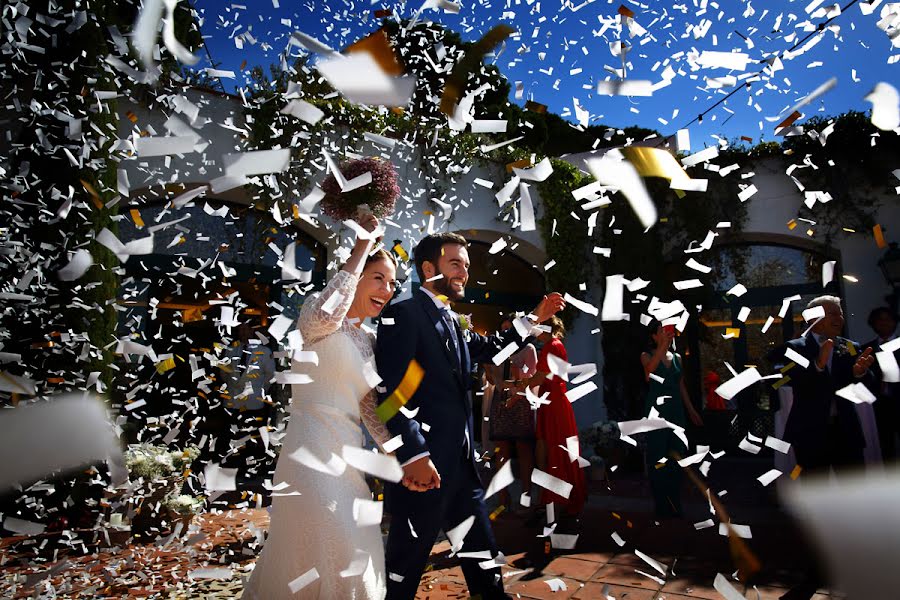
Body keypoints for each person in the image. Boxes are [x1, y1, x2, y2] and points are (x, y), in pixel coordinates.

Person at [374, 232, 565, 600]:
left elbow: (493, 351)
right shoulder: (403, 312)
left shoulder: (451, 318)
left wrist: (535, 318)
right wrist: (414, 455)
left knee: (482, 555)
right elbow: (390, 397)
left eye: (466, 264)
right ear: (428, 269)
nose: (464, 271)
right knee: (404, 567)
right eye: (456, 263)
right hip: (425, 470)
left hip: (461, 466)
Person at [244, 214, 396, 600]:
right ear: (358, 276)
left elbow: (371, 411)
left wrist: (402, 457)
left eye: (392, 283)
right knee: (329, 543)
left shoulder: (371, 343)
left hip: (349, 460)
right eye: (378, 277)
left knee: (357, 547)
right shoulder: (318, 318)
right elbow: (331, 310)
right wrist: (362, 243)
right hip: (309, 454)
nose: (387, 288)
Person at [779, 296, 875, 476]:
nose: (839, 318)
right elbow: (787, 379)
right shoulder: (794, 348)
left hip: (846, 431)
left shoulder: (850, 347)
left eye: (840, 313)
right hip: (810, 433)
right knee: (815, 492)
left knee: (853, 492)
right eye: (832, 313)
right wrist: (817, 365)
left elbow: (869, 385)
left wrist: (860, 373)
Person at [516, 316, 587, 522]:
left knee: (555, 451)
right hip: (554, 403)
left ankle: (556, 504)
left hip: (554, 405)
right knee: (555, 451)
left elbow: (541, 377)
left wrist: (520, 386)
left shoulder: (551, 346)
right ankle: (556, 503)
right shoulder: (555, 345)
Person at [640, 320, 703, 519]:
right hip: (656, 412)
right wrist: (662, 347)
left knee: (677, 457)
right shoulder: (646, 355)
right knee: (658, 458)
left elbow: (681, 385)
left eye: (669, 331)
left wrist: (691, 410)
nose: (668, 333)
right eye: (663, 331)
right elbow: (649, 374)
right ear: (654, 336)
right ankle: (661, 505)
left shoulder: (677, 357)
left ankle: (675, 503)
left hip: (676, 412)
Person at [483, 316, 538, 515]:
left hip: (521, 400)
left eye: (510, 329)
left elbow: (531, 377)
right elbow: (491, 378)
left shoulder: (528, 349)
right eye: (504, 330)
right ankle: (504, 500)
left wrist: (517, 373)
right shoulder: (496, 350)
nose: (507, 333)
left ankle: (526, 498)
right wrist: (488, 368)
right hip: (501, 400)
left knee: (524, 450)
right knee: (502, 451)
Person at [863, 306, 900, 463]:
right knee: (885, 448)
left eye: (888, 319)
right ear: (873, 323)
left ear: (895, 322)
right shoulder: (866, 350)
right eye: (880, 320)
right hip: (880, 407)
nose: (884, 323)